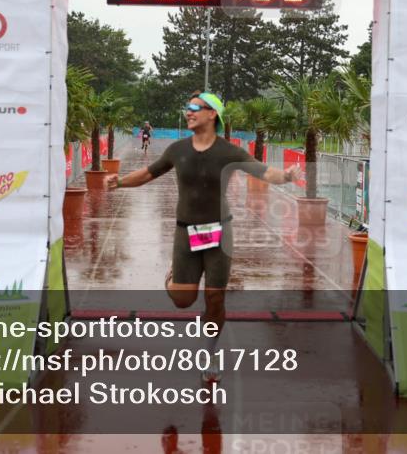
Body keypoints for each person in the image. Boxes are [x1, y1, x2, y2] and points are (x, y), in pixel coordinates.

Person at [109, 92, 302, 382]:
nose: (188, 112)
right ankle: (173, 275)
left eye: (193, 108)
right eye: (187, 107)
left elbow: (262, 171)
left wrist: (286, 176)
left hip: (218, 232)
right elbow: (148, 174)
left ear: (212, 114)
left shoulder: (228, 152)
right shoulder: (177, 149)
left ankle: (209, 355)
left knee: (215, 298)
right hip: (186, 231)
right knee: (183, 300)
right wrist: (120, 181)